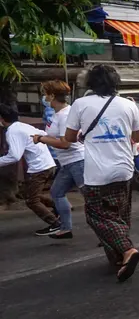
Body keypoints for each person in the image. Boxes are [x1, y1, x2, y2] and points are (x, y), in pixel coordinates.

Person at [65, 65, 139, 282]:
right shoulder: (128, 105)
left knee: (95, 215)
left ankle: (128, 250)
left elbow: (70, 137)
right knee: (120, 215)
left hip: (97, 173)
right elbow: (137, 136)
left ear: (89, 82)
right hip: (124, 169)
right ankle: (117, 260)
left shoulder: (80, 104)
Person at [31, 81, 85, 239]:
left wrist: (41, 139)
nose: (44, 97)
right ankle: (66, 228)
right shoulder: (56, 114)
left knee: (91, 199)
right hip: (67, 163)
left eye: (45, 93)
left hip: (78, 161)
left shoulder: (66, 115)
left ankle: (108, 231)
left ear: (52, 95)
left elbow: (65, 143)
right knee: (56, 192)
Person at [0, 104, 58, 234]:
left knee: (32, 201)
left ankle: (55, 223)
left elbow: (14, 156)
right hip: (47, 164)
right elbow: (43, 134)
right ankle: (59, 208)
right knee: (30, 194)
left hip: (40, 168)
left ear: (2, 119)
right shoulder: (24, 126)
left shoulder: (12, 131)